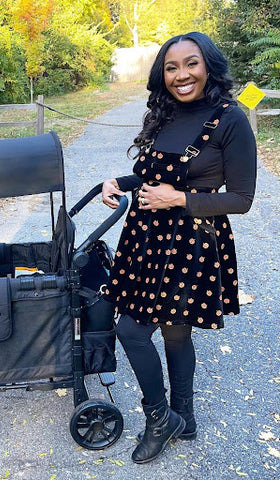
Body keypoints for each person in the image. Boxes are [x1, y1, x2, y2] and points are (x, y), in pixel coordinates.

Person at [101, 31, 257, 464]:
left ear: (208, 65)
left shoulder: (231, 119)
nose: (181, 75)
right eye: (171, 67)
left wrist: (179, 199)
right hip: (146, 239)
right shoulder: (164, 114)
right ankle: (181, 418)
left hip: (193, 243)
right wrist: (119, 183)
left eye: (191, 64)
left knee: (144, 330)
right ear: (162, 75)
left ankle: (162, 417)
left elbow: (242, 199)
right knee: (160, 330)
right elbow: (153, 175)